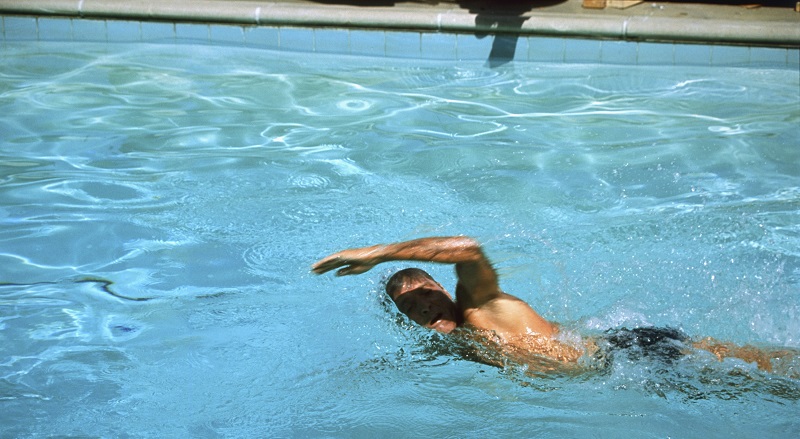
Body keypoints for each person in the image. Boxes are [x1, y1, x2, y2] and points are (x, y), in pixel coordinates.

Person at [312, 236, 786, 373]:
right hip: (623, 370)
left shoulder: (479, 306)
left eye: (426, 298)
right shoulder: (454, 340)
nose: (424, 312)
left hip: (628, 354)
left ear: (443, 290)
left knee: (765, 373)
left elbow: (468, 250)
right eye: (410, 312)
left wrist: (378, 253)